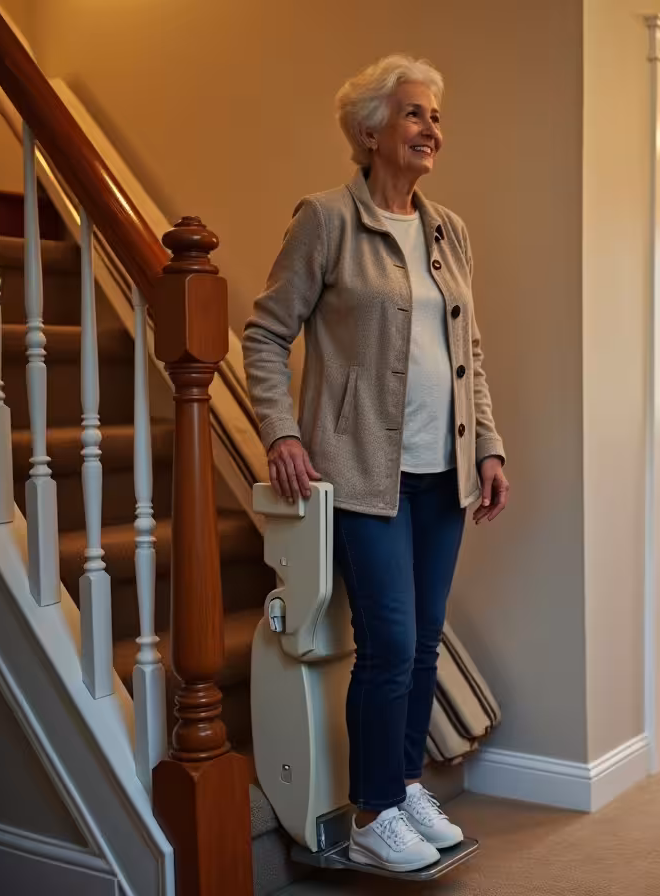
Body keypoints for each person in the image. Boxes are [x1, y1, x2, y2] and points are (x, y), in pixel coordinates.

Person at [242, 53, 509, 873]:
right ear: (370, 131)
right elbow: (264, 333)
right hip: (363, 474)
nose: (433, 129)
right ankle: (373, 813)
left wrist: (489, 446)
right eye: (416, 115)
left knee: (424, 643)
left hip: (444, 474)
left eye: (435, 116)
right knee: (389, 643)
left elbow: (470, 353)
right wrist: (283, 433)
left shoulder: (448, 229)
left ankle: (401, 783)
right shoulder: (325, 220)